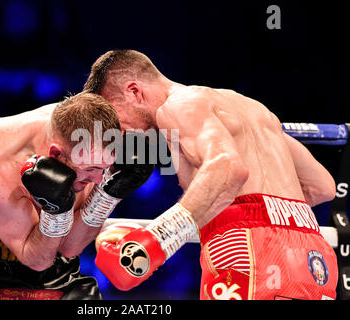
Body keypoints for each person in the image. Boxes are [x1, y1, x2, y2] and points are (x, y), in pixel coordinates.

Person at [84, 50, 338, 300]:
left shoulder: (178, 105)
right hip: (314, 255)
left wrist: (156, 240)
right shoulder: (252, 108)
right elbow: (323, 186)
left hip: (247, 251)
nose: (122, 133)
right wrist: (269, 218)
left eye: (116, 119)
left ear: (134, 91)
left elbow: (228, 168)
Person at [0, 92, 154, 300]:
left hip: (57, 273)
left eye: (104, 168)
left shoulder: (88, 140)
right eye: (91, 169)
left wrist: (107, 194)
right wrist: (57, 212)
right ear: (56, 154)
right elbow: (36, 259)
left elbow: (70, 248)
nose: (97, 179)